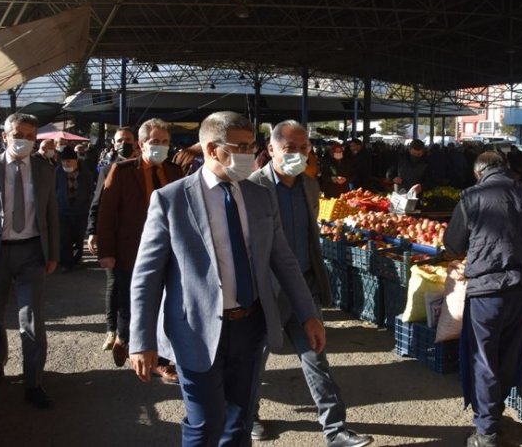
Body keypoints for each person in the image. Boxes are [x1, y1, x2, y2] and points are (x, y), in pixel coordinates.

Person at [128, 111, 326, 447]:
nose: (250, 154)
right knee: (206, 424)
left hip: (249, 327)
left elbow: (285, 261)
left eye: (251, 146)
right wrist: (141, 339)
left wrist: (309, 314)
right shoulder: (171, 200)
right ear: (210, 149)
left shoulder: (260, 196)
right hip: (196, 330)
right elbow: (146, 276)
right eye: (241, 147)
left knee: (239, 422)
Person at [248, 121, 374, 447]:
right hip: (267, 290)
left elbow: (309, 236)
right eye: (291, 149)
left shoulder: (309, 185)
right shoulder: (252, 187)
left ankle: (335, 430)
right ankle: (250, 416)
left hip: (303, 286)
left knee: (316, 358)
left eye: (304, 149)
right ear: (272, 149)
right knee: (255, 359)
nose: (299, 155)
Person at [443, 151, 522, 447]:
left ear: (479, 173)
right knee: (509, 354)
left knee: (483, 357)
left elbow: (453, 244)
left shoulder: (471, 197)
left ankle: (487, 431)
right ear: (507, 169)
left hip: (487, 291)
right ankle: (493, 412)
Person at [97, 119, 183, 383]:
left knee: (166, 305)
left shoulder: (174, 172)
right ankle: (127, 338)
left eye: (165, 142)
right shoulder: (121, 171)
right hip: (130, 250)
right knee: (132, 303)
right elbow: (107, 213)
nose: (160, 146)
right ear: (142, 143)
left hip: (169, 252)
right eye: (155, 141)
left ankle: (162, 360)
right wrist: (106, 251)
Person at [0, 113, 60, 409]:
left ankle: (33, 382)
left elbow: (51, 214)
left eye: (32, 136)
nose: (25, 141)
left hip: (32, 252)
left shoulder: (45, 169)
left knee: (31, 319)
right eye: (19, 134)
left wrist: (54, 253)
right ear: (4, 135)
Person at [86, 127, 139, 351]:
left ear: (136, 142)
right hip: (114, 236)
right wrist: (93, 231)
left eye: (127, 140)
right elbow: (97, 202)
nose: (123, 143)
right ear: (113, 143)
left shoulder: (145, 167)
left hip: (139, 237)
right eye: (119, 140)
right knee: (115, 283)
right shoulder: (108, 168)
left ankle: (134, 331)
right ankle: (112, 329)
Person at [55, 146, 94, 272]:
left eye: (69, 161)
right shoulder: (57, 172)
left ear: (76, 160)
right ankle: (66, 263)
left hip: (81, 210)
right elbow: (54, 189)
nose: (66, 164)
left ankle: (77, 260)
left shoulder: (86, 172)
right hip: (63, 210)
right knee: (65, 237)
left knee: (79, 237)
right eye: (64, 161)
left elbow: (91, 190)